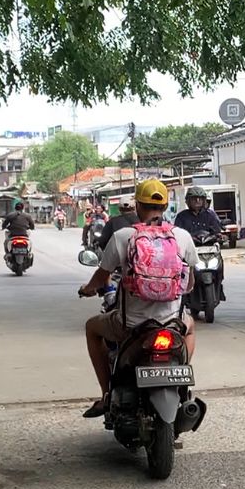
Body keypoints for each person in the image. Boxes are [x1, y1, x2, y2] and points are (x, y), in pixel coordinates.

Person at [79, 179, 199, 418]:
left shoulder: (123, 236)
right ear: (165, 206)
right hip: (172, 325)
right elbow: (190, 284)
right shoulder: (182, 236)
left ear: (138, 206)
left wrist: (88, 288)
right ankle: (179, 374)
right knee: (191, 327)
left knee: (92, 328)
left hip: (131, 327)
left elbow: (101, 277)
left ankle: (105, 394)